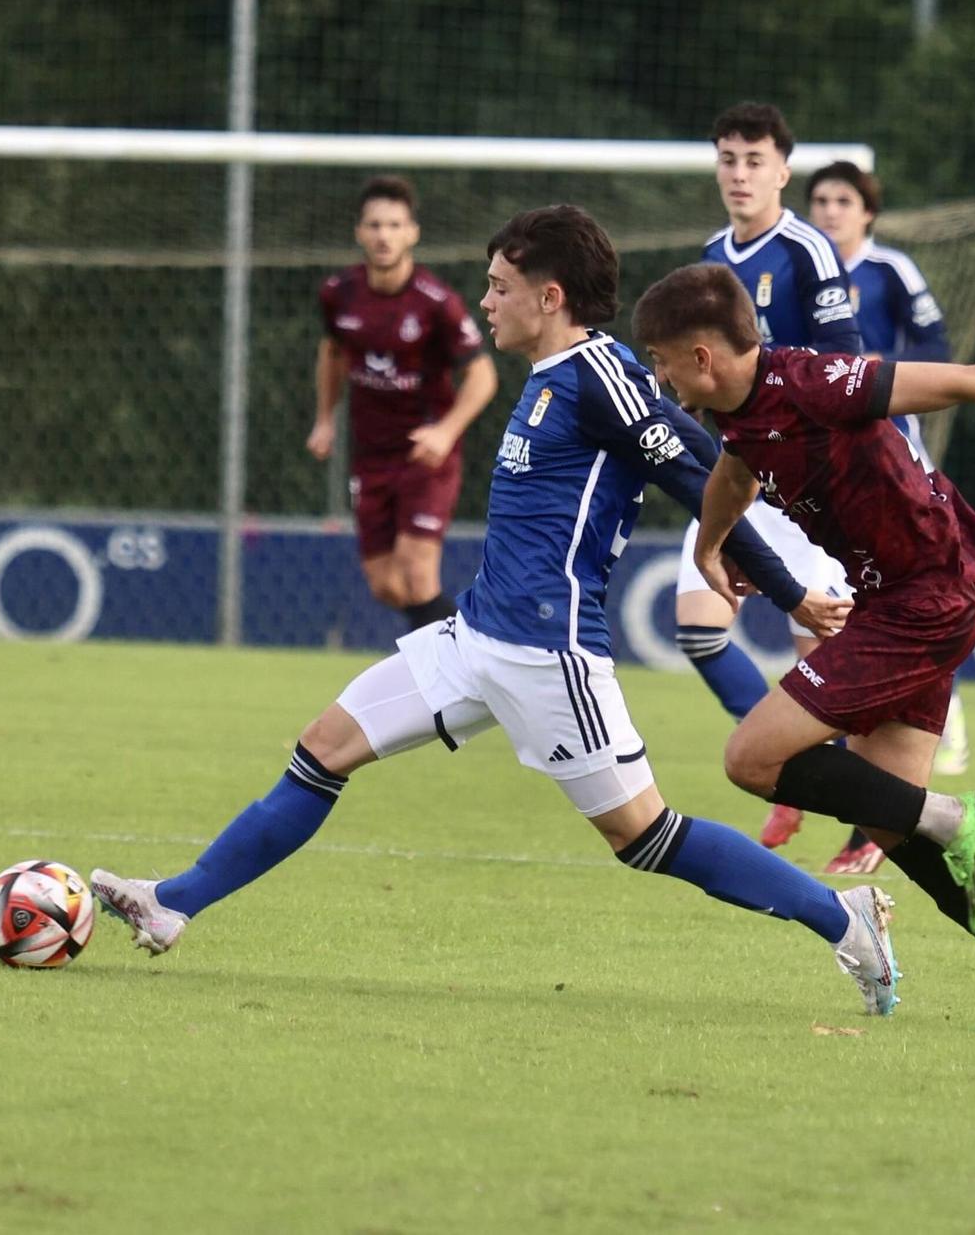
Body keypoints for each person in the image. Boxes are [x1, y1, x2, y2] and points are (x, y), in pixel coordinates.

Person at [90, 206, 911, 1018]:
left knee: (646, 837)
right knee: (320, 750)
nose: (485, 301)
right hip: (474, 635)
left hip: (548, 655)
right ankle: (174, 902)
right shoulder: (558, 375)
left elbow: (705, 473)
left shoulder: (603, 375)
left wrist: (782, 583)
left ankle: (844, 916)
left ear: (549, 297)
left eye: (499, 286)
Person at [632, 261, 975, 1032]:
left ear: (702, 356)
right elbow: (736, 468)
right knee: (893, 818)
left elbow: (974, 378)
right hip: (903, 595)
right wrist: (709, 547)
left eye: (658, 358)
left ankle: (961, 818)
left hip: (924, 595)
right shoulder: (741, 410)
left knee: (751, 759)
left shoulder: (818, 382)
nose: (655, 375)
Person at [683, 103, 873, 873]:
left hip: (800, 480)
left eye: (754, 159)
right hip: (735, 473)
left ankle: (868, 819)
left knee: (827, 657)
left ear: (783, 170)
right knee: (698, 626)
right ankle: (794, 777)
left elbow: (846, 362)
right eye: (727, 157)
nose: (739, 172)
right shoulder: (709, 255)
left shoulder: (806, 251)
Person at [807, 159, 971, 788]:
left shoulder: (890, 271)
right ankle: (868, 722)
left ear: (867, 211)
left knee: (910, 586)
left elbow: (936, 352)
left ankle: (939, 710)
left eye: (843, 200)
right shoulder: (801, 267)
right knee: (854, 596)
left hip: (891, 451)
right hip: (823, 458)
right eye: (820, 199)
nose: (829, 210)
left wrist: (879, 367)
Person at [308, 176, 499, 634]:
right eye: (374, 225)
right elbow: (332, 353)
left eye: (394, 224)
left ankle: (455, 681)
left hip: (425, 454)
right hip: (370, 455)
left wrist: (445, 432)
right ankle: (470, 649)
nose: (383, 235)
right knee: (386, 585)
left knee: (416, 572)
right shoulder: (339, 294)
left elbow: (482, 375)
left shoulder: (437, 303)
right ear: (359, 232)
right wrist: (324, 420)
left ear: (412, 232)